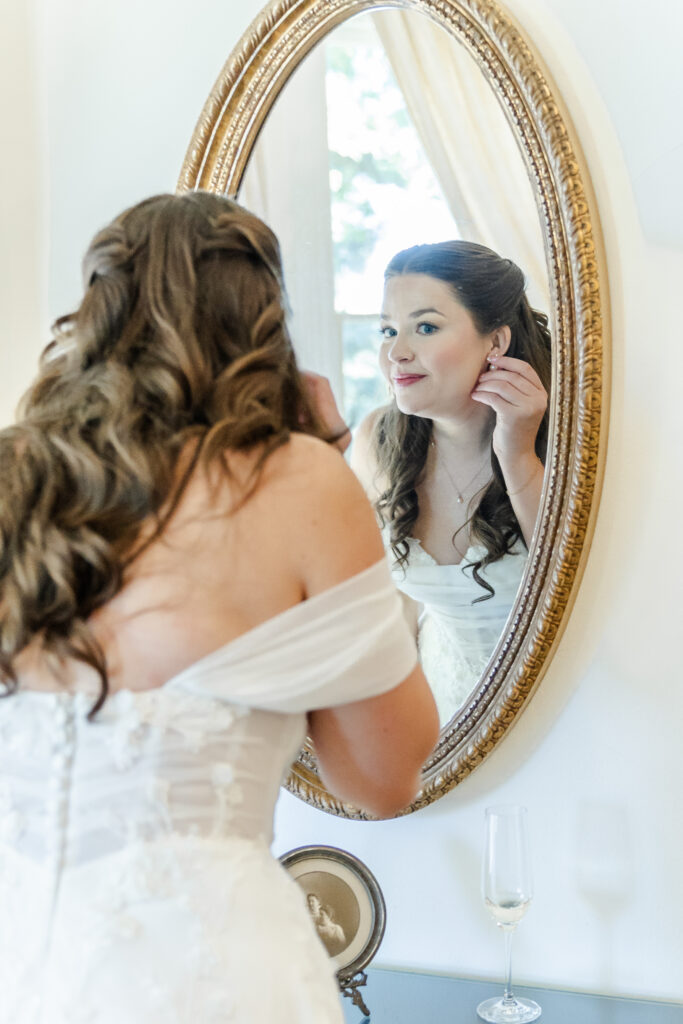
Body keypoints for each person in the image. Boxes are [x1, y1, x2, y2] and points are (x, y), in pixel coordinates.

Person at [0, 192, 439, 1024]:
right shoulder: (297, 480)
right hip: (215, 980)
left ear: (95, 315)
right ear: (262, 320)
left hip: (21, 969)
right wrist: (331, 455)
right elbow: (382, 777)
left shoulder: (14, 480)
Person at [351, 241, 551, 725]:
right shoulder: (378, 442)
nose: (396, 352)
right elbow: (388, 611)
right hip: (439, 722)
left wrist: (517, 452)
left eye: (425, 327)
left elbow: (574, 585)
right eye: (387, 330)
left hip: (560, 713)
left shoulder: (572, 437)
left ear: (496, 342)